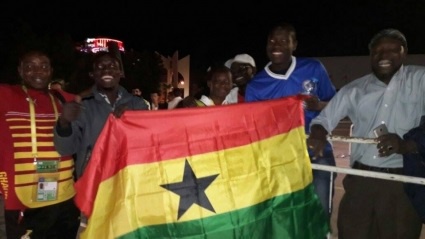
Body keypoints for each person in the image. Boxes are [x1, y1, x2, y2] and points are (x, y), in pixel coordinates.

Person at [308, 28, 424, 238]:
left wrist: (408, 145)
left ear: (404, 52)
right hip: (359, 182)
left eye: (391, 50)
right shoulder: (354, 89)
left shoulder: (420, 80)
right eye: (377, 51)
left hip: (401, 183)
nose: (383, 56)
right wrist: (318, 132)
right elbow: (323, 119)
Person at [244, 22, 337, 222]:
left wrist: (318, 105)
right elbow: (254, 128)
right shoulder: (256, 85)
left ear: (294, 44)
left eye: (284, 41)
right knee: (286, 218)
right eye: (272, 41)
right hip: (279, 159)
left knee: (319, 213)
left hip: (316, 152)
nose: (276, 45)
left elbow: (336, 104)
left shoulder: (313, 67)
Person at [53, 51, 150, 235]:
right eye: (100, 67)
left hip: (130, 185)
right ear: (92, 74)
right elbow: (65, 148)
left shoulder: (138, 104)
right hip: (95, 187)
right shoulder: (83, 106)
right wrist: (64, 123)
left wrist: (135, 117)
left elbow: (150, 143)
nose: (107, 70)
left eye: (112, 66)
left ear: (121, 73)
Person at [0, 50, 80, 238]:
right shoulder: (5, 94)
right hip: (22, 201)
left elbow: (92, 100)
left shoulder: (63, 99)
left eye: (44, 66)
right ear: (20, 71)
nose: (37, 71)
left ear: (51, 71)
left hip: (65, 198)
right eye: (30, 66)